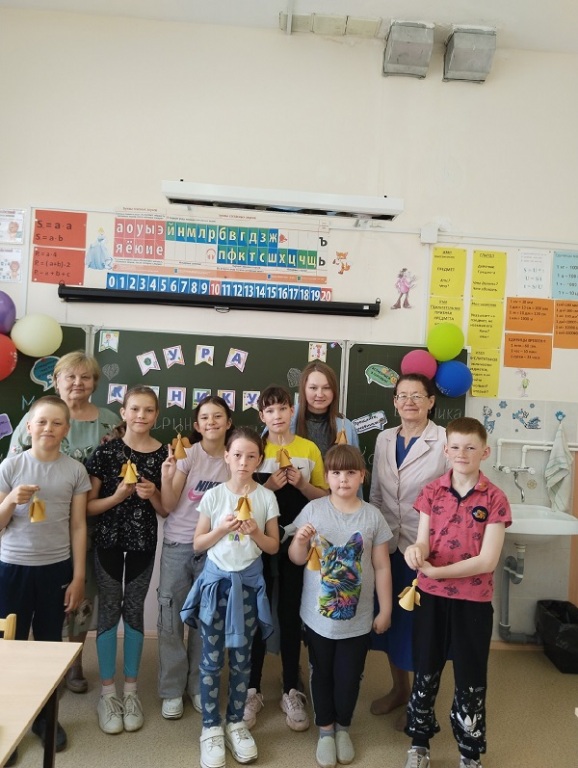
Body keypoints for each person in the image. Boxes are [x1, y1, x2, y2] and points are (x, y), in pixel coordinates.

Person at [402, 417, 511, 768]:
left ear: (485, 452)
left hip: (472, 602)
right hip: (431, 597)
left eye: (470, 447)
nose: (462, 453)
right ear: (446, 450)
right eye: (455, 447)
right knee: (425, 668)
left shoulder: (495, 499)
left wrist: (438, 572)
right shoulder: (431, 492)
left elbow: (487, 560)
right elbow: (422, 541)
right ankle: (419, 745)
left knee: (470, 677)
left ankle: (469, 753)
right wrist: (415, 551)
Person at [9, 350, 118, 694]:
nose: (77, 383)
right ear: (56, 381)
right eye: (70, 376)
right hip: (39, 528)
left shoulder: (110, 421)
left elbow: (117, 469)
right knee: (36, 602)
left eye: (85, 377)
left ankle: (73, 662)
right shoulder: (38, 417)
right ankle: (34, 665)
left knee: (80, 597)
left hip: (91, 525)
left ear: (95, 384)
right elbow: (14, 472)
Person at [180, 427, 279, 768]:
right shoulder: (214, 496)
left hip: (248, 588)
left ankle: (236, 722)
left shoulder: (266, 498)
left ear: (259, 460)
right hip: (216, 587)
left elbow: (273, 546)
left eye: (251, 456)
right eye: (237, 455)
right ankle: (210, 727)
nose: (243, 462)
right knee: (210, 659)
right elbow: (198, 543)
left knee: (241, 659)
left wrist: (255, 532)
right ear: (227, 456)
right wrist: (222, 528)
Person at [289, 445, 393, 768]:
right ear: (327, 476)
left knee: (349, 676)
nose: (343, 479)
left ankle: (343, 728)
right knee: (321, 673)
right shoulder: (313, 510)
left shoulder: (372, 516)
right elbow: (296, 558)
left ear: (362, 476)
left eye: (350, 473)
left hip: (358, 620)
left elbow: (382, 566)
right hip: (317, 620)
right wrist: (300, 541)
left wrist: (386, 610)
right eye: (335, 473)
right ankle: (325, 730)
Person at [0, 396, 91, 762]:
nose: (48, 428)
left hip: (56, 568)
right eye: (41, 422)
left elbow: (79, 525)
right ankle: (8, 720)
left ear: (66, 429)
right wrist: (10, 501)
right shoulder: (11, 466)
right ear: (28, 427)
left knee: (50, 646)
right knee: (10, 646)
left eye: (56, 423)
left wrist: (79, 576)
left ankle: (45, 718)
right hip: (12, 568)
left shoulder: (75, 471)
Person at [245, 385, 328, 733]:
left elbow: (324, 496)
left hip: (298, 542)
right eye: (270, 410)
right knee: (258, 612)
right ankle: (252, 688)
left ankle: (291, 688)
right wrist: (270, 488)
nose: (277, 415)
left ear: (292, 411)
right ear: (261, 416)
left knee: (291, 612)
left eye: (282, 409)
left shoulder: (308, 449)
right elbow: (240, 494)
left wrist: (302, 484)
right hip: (258, 542)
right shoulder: (255, 449)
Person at [86, 386, 167, 735]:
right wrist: (118, 496)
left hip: (142, 545)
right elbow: (89, 506)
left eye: (148, 410)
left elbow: (166, 510)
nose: (141, 416)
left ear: (156, 415)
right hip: (106, 543)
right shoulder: (106, 452)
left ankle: (131, 692)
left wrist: (154, 494)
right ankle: (108, 694)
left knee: (133, 611)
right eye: (135, 409)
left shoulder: (164, 455)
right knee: (109, 610)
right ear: (123, 412)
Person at [369, 373, 448, 727]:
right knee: (393, 623)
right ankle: (399, 689)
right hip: (388, 546)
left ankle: (420, 701)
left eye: (417, 395)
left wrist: (434, 542)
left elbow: (454, 497)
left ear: (431, 401)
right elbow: (375, 494)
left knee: (422, 627)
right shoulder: (384, 438)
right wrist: (375, 538)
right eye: (402, 395)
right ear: (394, 402)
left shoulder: (445, 440)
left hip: (425, 549)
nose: (409, 402)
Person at [158, 395, 233, 720]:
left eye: (218, 416)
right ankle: (172, 690)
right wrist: (167, 475)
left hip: (216, 549)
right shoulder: (187, 455)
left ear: (228, 423)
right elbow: (169, 504)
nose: (211, 422)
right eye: (205, 417)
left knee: (208, 620)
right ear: (197, 425)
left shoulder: (234, 458)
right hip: (178, 545)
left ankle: (199, 686)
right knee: (170, 619)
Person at [292, 361, 359, 457]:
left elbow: (355, 464)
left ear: (334, 391)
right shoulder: (285, 421)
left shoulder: (347, 427)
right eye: (313, 388)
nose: (320, 394)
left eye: (326, 388)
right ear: (303, 390)